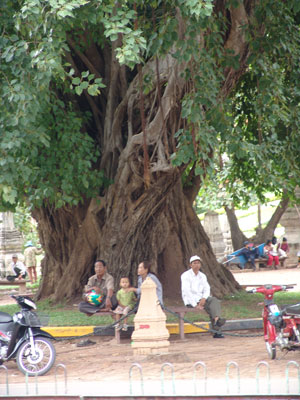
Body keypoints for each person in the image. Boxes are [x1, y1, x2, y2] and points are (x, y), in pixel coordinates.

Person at [181, 255, 226, 339]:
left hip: (201, 299)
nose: (197, 265)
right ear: (190, 265)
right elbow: (186, 291)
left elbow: (207, 288)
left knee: (214, 301)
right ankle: (217, 329)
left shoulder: (202, 276)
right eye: (194, 263)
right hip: (191, 300)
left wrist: (204, 298)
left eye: (198, 263)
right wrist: (195, 305)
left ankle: (217, 321)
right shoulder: (185, 275)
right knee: (212, 308)